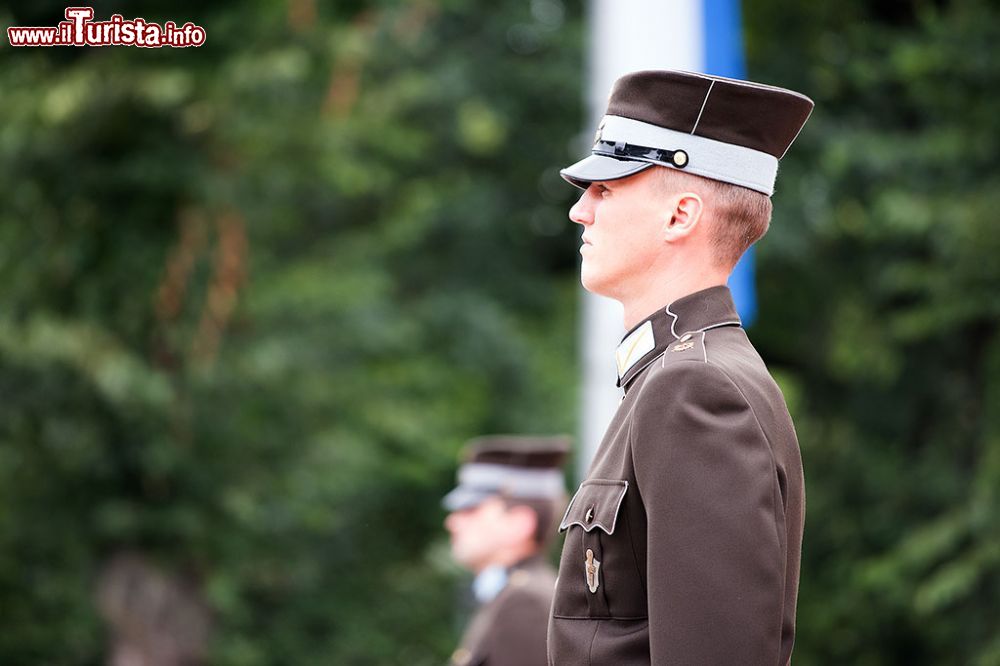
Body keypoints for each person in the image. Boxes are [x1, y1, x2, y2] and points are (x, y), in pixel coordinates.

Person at [546, 70, 814, 665]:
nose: (579, 212)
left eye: (606, 189)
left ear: (680, 216)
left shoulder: (695, 387)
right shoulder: (679, 375)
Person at [442, 435, 569, 666]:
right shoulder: (512, 594)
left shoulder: (526, 603)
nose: (452, 522)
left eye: (470, 510)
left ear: (519, 524)